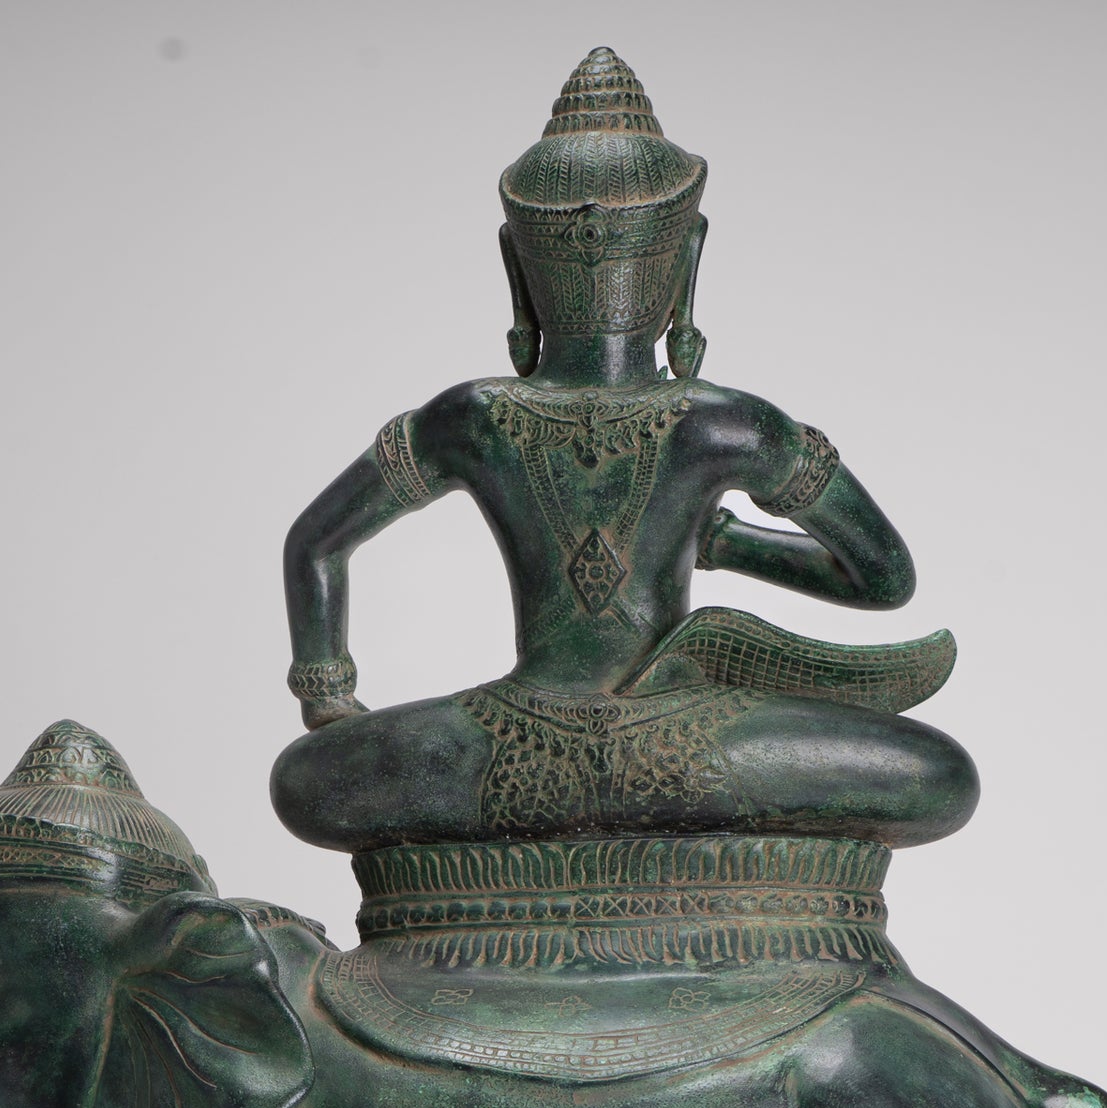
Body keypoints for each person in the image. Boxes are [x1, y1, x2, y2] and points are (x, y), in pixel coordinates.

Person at [272, 47, 977, 854]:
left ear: (514, 266)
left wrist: (327, 700)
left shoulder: (471, 417)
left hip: (508, 748)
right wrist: (725, 542)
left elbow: (315, 543)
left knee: (312, 777)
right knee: (936, 774)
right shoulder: (726, 423)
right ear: (688, 257)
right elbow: (881, 578)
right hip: (690, 749)